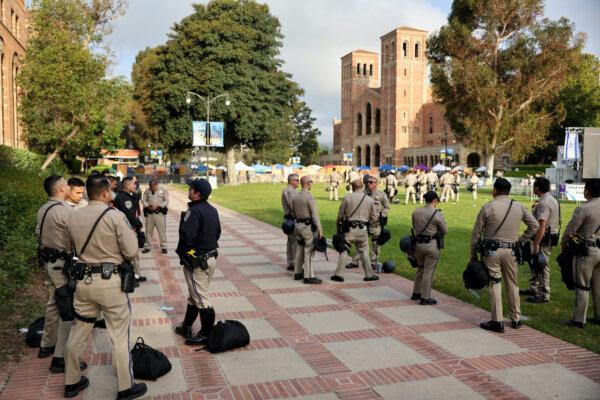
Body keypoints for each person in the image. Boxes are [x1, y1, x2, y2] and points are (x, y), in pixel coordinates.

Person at [63, 175, 146, 399]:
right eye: (110, 190)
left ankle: (71, 382)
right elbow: (131, 251)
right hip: (110, 283)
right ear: (104, 193)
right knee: (119, 335)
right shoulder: (115, 216)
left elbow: (69, 249)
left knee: (79, 330)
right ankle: (125, 387)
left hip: (83, 282)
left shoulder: (72, 216)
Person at [470, 178, 539, 333]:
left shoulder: (488, 207)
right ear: (508, 191)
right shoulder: (518, 206)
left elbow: (476, 234)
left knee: (494, 282)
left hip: (491, 251)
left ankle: (497, 321)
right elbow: (535, 225)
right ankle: (516, 318)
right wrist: (522, 240)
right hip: (512, 250)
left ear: (495, 190)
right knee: (512, 283)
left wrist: (473, 254)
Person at [36, 176, 81, 373]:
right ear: (63, 188)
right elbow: (75, 238)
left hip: (49, 262)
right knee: (66, 309)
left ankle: (47, 344)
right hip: (61, 264)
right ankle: (60, 358)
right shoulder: (64, 211)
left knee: (54, 303)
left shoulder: (43, 208)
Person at [175, 178, 221, 344]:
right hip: (209, 258)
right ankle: (186, 327)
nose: (188, 190)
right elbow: (217, 233)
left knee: (201, 298)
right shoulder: (212, 210)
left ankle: (206, 334)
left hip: (198, 263)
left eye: (191, 189)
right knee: (194, 296)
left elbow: (187, 237)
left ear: (197, 194)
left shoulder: (193, 212)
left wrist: (192, 253)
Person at [561, 179, 600, 328]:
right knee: (598, 284)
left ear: (587, 191)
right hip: (599, 248)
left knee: (582, 285)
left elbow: (571, 231)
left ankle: (578, 320)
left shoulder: (584, 209)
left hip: (586, 251)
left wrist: (564, 245)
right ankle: (598, 316)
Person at [331, 179, 380, 282]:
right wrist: (368, 223)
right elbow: (375, 217)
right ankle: (369, 275)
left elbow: (340, 215)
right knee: (364, 252)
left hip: (349, 229)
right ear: (362, 187)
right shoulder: (369, 199)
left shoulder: (347, 198)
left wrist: (338, 229)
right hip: (363, 230)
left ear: (352, 187)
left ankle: (339, 274)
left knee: (344, 250)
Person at [521, 177, 559, 303]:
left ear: (537, 187)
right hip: (549, 236)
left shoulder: (544, 203)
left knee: (542, 265)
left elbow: (541, 224)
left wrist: (536, 243)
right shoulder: (552, 199)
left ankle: (544, 293)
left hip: (543, 238)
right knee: (536, 263)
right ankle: (533, 287)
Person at [411, 191, 448, 305]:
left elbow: (414, 225)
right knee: (428, 271)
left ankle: (416, 293)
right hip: (431, 245)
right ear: (435, 200)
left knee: (420, 268)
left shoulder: (416, 211)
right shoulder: (437, 214)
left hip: (418, 245)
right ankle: (425, 297)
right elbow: (445, 231)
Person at [114, 177, 146, 284]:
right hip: (128, 229)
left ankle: (136, 275)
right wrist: (139, 224)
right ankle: (131, 278)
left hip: (131, 228)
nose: (135, 186)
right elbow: (129, 215)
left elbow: (136, 202)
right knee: (130, 253)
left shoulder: (128, 196)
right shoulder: (124, 198)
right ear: (127, 186)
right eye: (133, 184)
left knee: (134, 253)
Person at [292, 176, 323, 284]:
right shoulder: (309, 197)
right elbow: (315, 215)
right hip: (307, 227)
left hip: (298, 225)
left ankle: (297, 273)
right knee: (308, 251)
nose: (312, 184)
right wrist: (320, 229)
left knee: (299, 248)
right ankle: (308, 276)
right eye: (311, 182)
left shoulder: (296, 196)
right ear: (308, 183)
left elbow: (293, 212)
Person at [365, 175, 390, 270]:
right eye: (368, 182)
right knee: (361, 242)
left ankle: (373, 262)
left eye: (371, 182)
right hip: (365, 222)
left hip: (376, 223)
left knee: (376, 243)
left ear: (376, 184)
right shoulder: (364, 193)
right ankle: (355, 260)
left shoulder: (381, 194)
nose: (368, 183)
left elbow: (387, 206)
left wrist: (382, 215)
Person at [142, 179, 170, 254]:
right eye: (151, 187)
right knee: (148, 231)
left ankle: (164, 246)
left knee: (162, 231)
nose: (152, 189)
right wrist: (148, 205)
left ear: (157, 184)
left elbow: (166, 201)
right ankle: (147, 247)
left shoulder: (163, 190)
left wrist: (159, 206)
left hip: (159, 213)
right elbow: (143, 200)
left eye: (154, 187)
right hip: (150, 213)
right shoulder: (147, 191)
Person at [281, 174, 300, 271]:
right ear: (291, 180)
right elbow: (292, 205)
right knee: (294, 242)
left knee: (291, 241)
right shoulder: (289, 191)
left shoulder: (293, 191)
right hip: (291, 219)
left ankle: (291, 262)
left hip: (292, 218)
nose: (298, 182)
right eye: (297, 180)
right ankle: (294, 263)